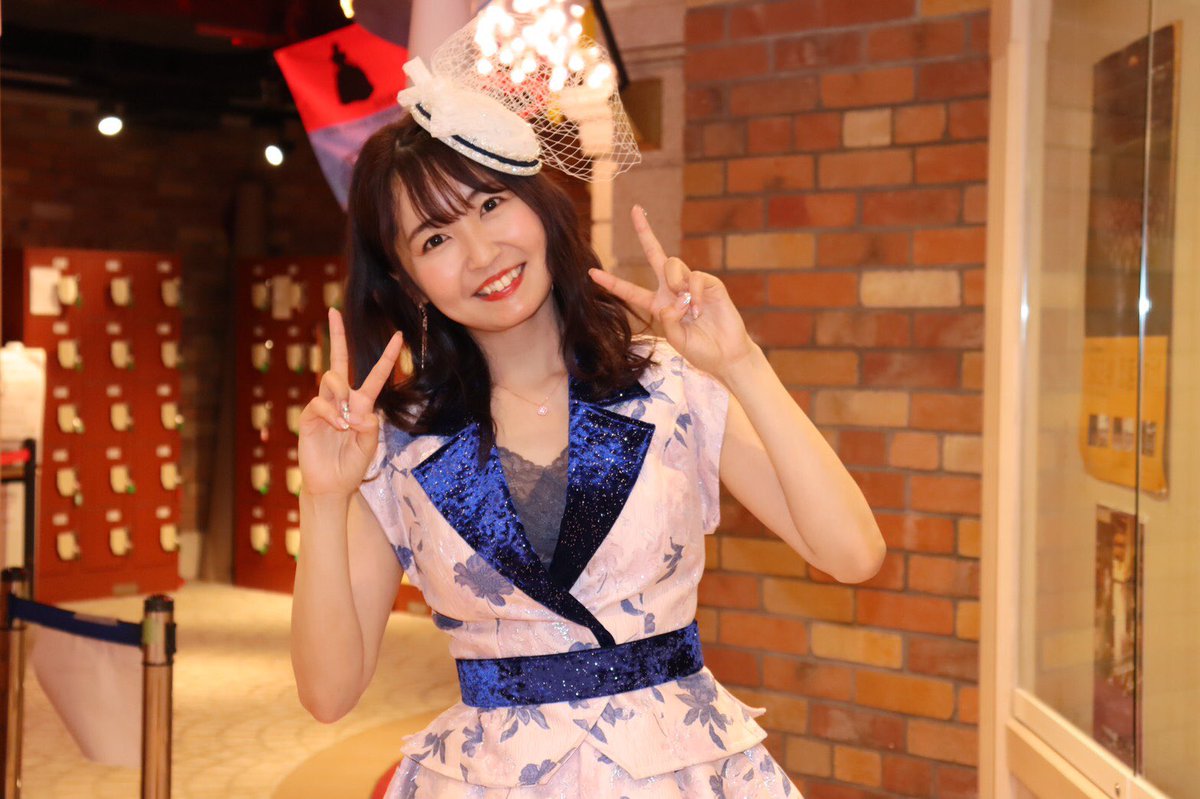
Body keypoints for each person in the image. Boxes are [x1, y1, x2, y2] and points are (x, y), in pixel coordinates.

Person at [291, 31, 885, 799]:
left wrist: (740, 362)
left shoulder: (667, 388)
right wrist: (324, 496)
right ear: (406, 279)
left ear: (539, 203)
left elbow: (853, 553)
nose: (480, 252)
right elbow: (328, 692)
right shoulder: (401, 447)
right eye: (435, 237)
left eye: (491, 204)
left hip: (681, 774)